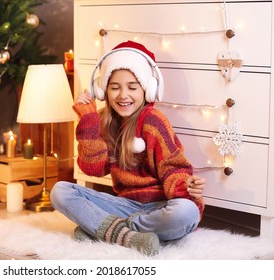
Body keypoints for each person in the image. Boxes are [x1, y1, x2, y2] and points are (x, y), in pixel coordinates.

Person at [50, 40, 205, 256]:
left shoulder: (154, 121)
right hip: (123, 205)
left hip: (159, 208)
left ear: (148, 90)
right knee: (60, 192)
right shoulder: (105, 122)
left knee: (186, 213)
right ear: (103, 89)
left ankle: (105, 230)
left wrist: (186, 186)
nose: (123, 95)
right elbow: (93, 169)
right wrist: (88, 120)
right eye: (115, 87)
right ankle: (129, 237)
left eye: (132, 87)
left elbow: (173, 168)